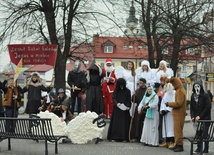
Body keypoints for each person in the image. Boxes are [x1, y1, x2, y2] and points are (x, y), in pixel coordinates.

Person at [165, 77, 186, 152]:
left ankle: (179, 145)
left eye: (173, 84)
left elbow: (178, 103)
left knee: (178, 130)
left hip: (179, 113)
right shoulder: (180, 90)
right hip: (179, 113)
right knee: (177, 130)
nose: (173, 86)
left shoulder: (179, 91)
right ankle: (177, 144)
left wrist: (169, 104)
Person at [190, 80, 211, 153]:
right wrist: (192, 116)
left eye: (198, 86)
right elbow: (192, 107)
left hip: (205, 119)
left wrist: (200, 116)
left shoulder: (205, 95)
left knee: (205, 133)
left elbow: (208, 107)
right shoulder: (193, 95)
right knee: (198, 133)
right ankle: (199, 148)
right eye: (195, 87)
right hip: (197, 119)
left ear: (201, 87)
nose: (197, 88)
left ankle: (206, 148)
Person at [107, 78, 131, 142]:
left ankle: (124, 137)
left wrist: (128, 106)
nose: (121, 86)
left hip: (124, 109)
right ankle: (115, 137)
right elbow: (114, 98)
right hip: (117, 109)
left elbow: (129, 100)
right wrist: (117, 103)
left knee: (124, 124)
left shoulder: (128, 91)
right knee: (116, 124)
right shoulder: (116, 90)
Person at [130, 78, 147, 142]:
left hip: (145, 108)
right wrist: (134, 95)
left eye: (141, 83)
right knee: (137, 123)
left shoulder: (147, 90)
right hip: (138, 108)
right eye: (139, 83)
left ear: (144, 83)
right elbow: (133, 100)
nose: (139, 84)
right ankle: (136, 136)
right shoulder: (137, 90)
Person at [159, 82, 175, 149]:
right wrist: (162, 109)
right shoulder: (166, 93)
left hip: (171, 114)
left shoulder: (174, 93)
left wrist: (168, 109)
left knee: (171, 128)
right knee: (165, 128)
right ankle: (167, 141)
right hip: (165, 113)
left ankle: (171, 141)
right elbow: (163, 102)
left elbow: (173, 102)